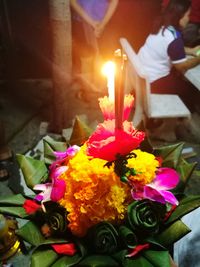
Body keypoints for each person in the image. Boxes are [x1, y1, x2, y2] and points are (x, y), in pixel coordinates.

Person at [138, 0, 200, 112]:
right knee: (189, 91)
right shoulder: (174, 37)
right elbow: (181, 66)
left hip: (141, 75)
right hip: (152, 82)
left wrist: (191, 50)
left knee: (180, 82)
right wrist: (198, 59)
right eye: (188, 15)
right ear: (180, 16)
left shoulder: (161, 25)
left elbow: (168, 48)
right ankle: (179, 120)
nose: (189, 19)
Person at [70, 0, 119, 89]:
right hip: (81, 22)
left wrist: (102, 24)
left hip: (103, 22)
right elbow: (72, 1)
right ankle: (87, 90)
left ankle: (99, 89)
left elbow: (114, 1)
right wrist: (92, 23)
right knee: (86, 58)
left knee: (102, 58)